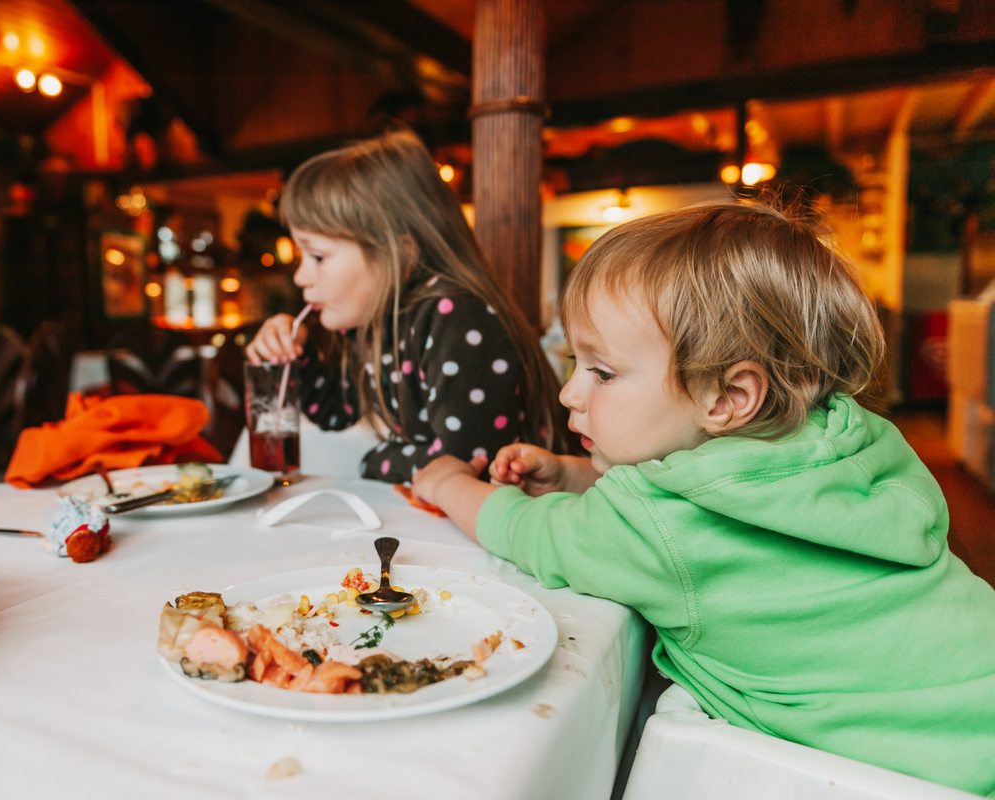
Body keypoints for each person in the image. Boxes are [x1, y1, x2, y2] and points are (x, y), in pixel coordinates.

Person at [411, 202, 995, 795]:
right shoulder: (854, 437)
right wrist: (574, 475)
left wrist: (445, 482)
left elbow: (528, 531)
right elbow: (713, 501)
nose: (569, 394)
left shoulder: (657, 527)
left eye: (602, 373)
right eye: (574, 363)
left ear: (728, 399)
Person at [245, 129, 570, 483]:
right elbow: (335, 412)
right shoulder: (379, 323)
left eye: (318, 256)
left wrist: (377, 461)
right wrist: (297, 352)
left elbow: (467, 463)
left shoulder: (455, 316)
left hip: (536, 517)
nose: (300, 277)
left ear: (398, 256)